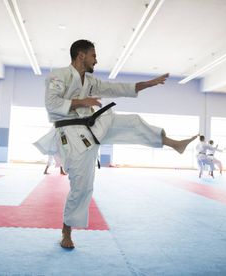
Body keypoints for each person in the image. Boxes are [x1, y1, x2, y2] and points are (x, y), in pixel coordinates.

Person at [35, 39, 198, 249]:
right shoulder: (59, 75)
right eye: (93, 55)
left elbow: (116, 88)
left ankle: (173, 143)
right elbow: (52, 104)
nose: (96, 59)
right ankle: (66, 232)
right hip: (70, 135)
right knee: (81, 187)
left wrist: (147, 84)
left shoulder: (91, 81)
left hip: (90, 127)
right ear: (81, 55)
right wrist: (83, 102)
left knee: (132, 122)